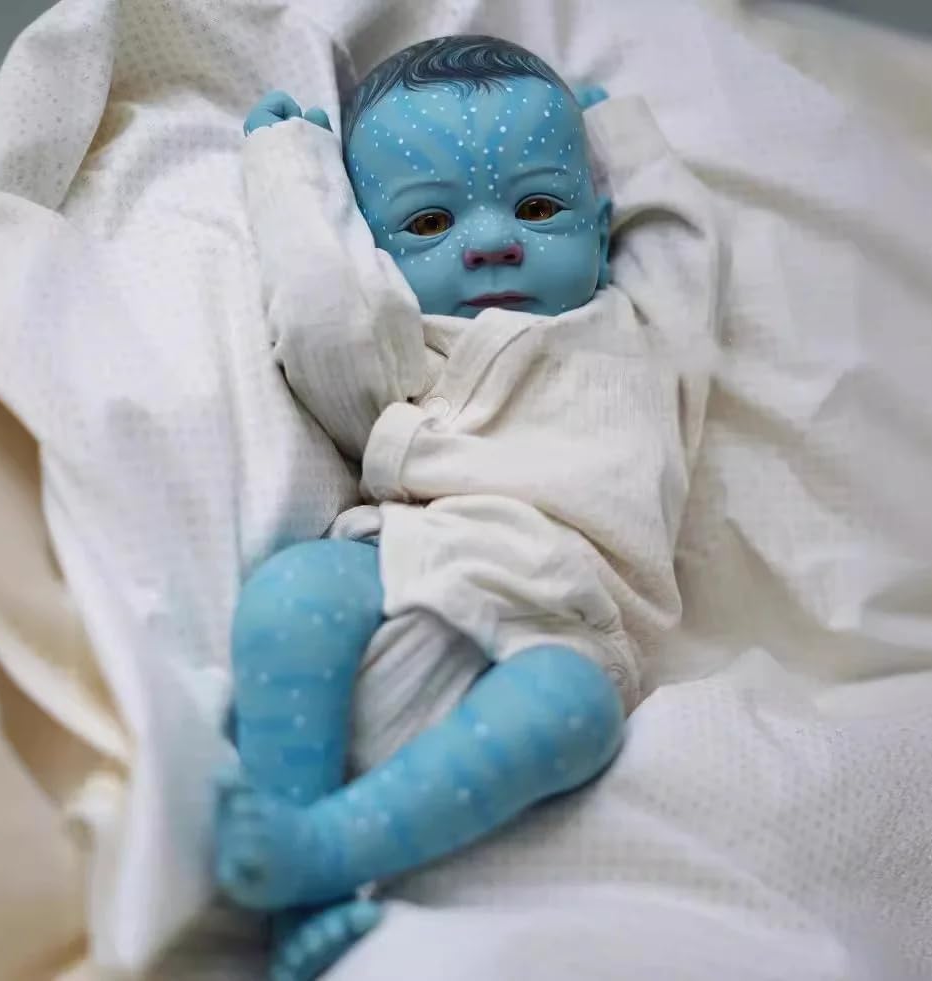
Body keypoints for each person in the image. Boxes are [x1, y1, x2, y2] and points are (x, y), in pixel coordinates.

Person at [216, 35, 720, 981]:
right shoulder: (412, 346)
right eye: (429, 222)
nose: (491, 239)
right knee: (291, 590)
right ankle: (291, 859)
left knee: (575, 712)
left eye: (536, 206)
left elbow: (685, 253)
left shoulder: (645, 338)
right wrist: (290, 175)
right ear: (377, 249)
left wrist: (622, 139)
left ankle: (323, 851)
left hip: (564, 617)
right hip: (409, 558)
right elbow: (320, 312)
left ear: (600, 226)